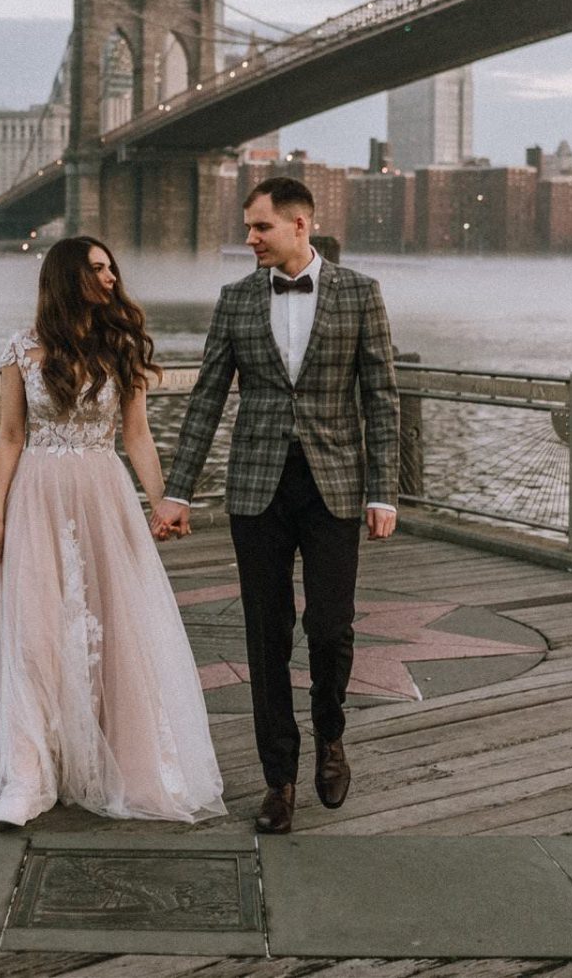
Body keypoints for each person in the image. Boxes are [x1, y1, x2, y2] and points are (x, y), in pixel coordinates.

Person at [152, 177, 399, 835]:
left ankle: (331, 734)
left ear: (299, 224)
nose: (249, 238)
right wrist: (176, 490)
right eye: (248, 227)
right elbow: (206, 398)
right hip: (256, 488)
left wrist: (383, 491)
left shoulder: (360, 293)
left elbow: (381, 397)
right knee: (265, 635)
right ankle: (279, 782)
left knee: (330, 626)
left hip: (335, 487)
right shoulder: (235, 300)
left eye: (260, 227)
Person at [0, 236, 225, 826]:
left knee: (112, 622)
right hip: (37, 496)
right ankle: (27, 774)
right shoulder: (22, 350)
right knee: (35, 630)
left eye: (111, 268)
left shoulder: (120, 345)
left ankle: (117, 757)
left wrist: (164, 502)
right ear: (66, 278)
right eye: (97, 269)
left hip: (103, 496)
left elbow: (136, 436)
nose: (110, 278)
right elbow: (9, 437)